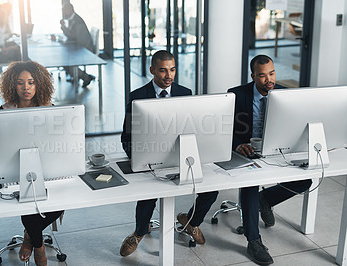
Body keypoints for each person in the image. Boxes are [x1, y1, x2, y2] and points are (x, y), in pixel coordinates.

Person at [120, 50, 218, 257]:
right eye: (163, 70)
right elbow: (126, 136)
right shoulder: (138, 96)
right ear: (152, 70)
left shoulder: (185, 92)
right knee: (148, 195)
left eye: (172, 70)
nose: (168, 76)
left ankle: (192, 222)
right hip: (150, 158)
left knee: (212, 189)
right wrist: (136, 157)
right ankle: (139, 232)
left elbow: (193, 128)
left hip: (180, 155)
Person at [228, 54, 312, 265]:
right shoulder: (237, 95)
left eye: (272, 73)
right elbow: (225, 128)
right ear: (253, 76)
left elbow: (294, 124)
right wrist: (238, 144)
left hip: (276, 149)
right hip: (246, 150)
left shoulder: (284, 94)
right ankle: (253, 241)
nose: (269, 80)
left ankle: (265, 200)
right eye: (263, 76)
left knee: (306, 179)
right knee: (249, 186)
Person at [0, 61, 63, 266]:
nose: (26, 87)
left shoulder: (49, 110)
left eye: (31, 82)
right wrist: (6, 115)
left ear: (39, 84)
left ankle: (29, 236)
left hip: (48, 169)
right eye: (20, 83)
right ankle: (38, 245)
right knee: (28, 200)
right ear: (12, 85)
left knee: (59, 202)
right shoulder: (3, 110)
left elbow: (61, 143)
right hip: (16, 172)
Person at [60, 2, 95, 87]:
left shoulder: (78, 21)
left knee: (68, 61)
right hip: (80, 46)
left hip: (85, 49)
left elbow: (74, 36)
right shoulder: (73, 19)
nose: (64, 14)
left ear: (69, 10)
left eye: (64, 11)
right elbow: (73, 35)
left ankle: (85, 77)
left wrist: (63, 27)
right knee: (64, 59)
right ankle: (76, 75)